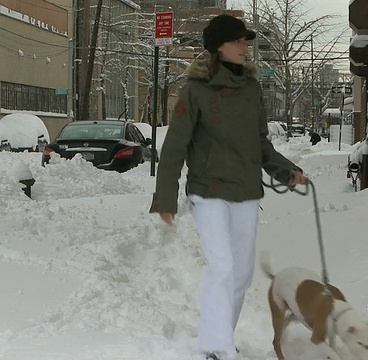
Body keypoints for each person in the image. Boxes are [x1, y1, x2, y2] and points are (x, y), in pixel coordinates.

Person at [149, 14, 308, 360]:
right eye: (237, 40)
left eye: (245, 40)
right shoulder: (194, 91)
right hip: (207, 193)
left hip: (245, 193)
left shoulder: (251, 90)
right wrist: (165, 197)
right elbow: (175, 146)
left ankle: (221, 338)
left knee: (241, 274)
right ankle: (217, 348)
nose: (244, 46)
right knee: (222, 266)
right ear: (218, 46)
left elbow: (261, 144)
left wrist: (288, 171)